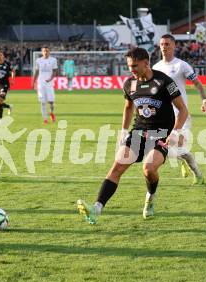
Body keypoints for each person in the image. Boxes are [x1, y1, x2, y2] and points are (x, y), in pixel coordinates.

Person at [77, 47, 188, 223]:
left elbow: (183, 110)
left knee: (149, 169)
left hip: (161, 135)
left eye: (135, 66)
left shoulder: (165, 81)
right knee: (116, 168)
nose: (131, 70)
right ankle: (96, 209)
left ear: (146, 63)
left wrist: (175, 132)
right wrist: (123, 130)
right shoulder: (129, 84)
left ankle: (150, 198)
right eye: (129, 66)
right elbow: (128, 107)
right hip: (138, 133)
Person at [153, 34, 206, 185]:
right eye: (161, 44)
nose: (164, 47)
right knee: (172, 151)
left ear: (174, 46)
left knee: (174, 150)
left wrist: (205, 100)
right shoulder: (156, 67)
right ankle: (187, 164)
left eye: (167, 44)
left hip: (181, 114)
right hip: (164, 117)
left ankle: (197, 174)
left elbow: (198, 84)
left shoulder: (182, 65)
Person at [32, 46, 58, 124]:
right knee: (42, 102)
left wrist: (50, 79)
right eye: (44, 51)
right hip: (40, 84)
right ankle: (45, 119)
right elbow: (36, 72)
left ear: (49, 52)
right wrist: (33, 82)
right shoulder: (38, 60)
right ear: (42, 52)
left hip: (49, 84)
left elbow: (55, 71)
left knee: (51, 102)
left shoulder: (53, 60)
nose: (45, 52)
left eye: (47, 51)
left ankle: (51, 113)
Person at [0, 50, 15, 120]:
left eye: (1, 55)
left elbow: (13, 71)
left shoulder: (7, 64)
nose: (0, 56)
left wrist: (12, 79)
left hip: (5, 84)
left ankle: (0, 119)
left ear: (3, 56)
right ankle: (9, 106)